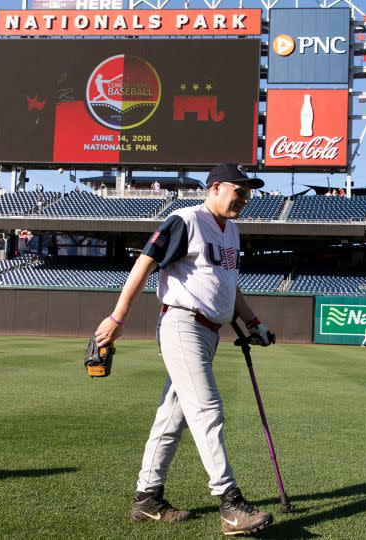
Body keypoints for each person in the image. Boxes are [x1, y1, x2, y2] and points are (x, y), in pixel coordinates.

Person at [94, 163, 276, 536]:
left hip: (209, 331)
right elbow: (144, 264)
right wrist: (117, 318)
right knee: (207, 408)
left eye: (248, 192)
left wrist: (253, 323)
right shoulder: (185, 220)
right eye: (238, 190)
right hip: (182, 324)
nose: (244, 197)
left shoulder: (233, 231)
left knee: (172, 417)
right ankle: (230, 505)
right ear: (215, 188)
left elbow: (228, 285)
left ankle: (147, 499)